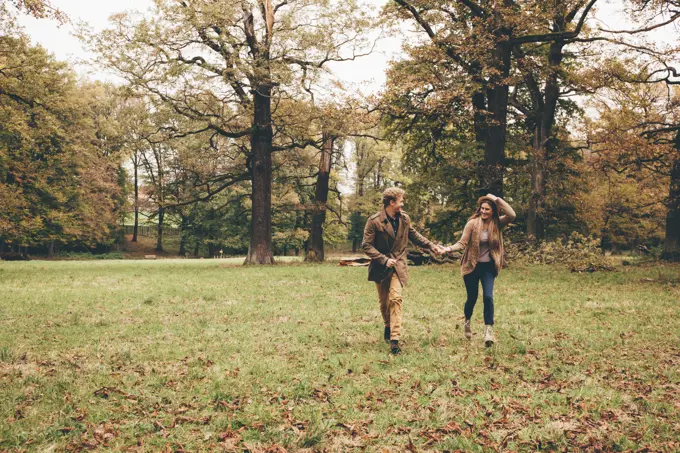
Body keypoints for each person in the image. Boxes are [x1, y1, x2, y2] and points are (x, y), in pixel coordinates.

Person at [362, 187, 445, 354]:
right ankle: (387, 325)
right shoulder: (374, 221)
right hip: (380, 266)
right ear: (391, 203)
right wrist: (384, 260)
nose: (403, 203)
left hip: (398, 266)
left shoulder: (404, 219)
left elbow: (414, 235)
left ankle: (395, 339)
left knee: (396, 299)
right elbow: (366, 245)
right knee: (384, 303)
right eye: (401, 201)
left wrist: (431, 246)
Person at [444, 194, 516, 347]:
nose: (484, 211)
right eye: (482, 209)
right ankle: (467, 321)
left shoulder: (497, 223)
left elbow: (512, 214)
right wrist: (448, 249)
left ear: (493, 211)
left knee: (488, 297)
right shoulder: (472, 224)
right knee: (472, 298)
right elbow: (462, 243)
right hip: (472, 266)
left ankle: (488, 331)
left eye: (487, 209)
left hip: (488, 267)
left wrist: (496, 199)